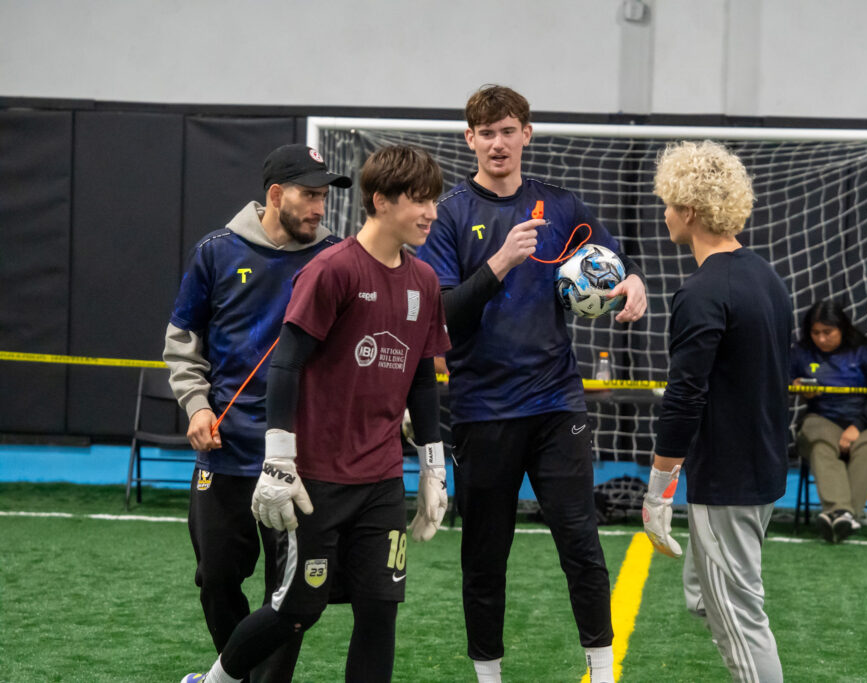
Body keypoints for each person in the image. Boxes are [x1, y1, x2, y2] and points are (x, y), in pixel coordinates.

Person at [181, 144, 451, 683]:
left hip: (379, 477)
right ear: (382, 200)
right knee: (288, 604)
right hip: (304, 472)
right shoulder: (329, 268)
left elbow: (423, 378)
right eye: (420, 201)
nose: (431, 214)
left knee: (380, 609)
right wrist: (277, 457)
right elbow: (284, 363)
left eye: (433, 201)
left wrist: (433, 466)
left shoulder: (423, 280)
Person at [415, 84, 648, 683]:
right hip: (483, 409)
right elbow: (441, 314)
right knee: (484, 558)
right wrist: (500, 262)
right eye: (486, 133)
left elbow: (613, 260)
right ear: (469, 139)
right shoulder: (449, 214)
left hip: (555, 403)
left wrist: (634, 281)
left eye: (507, 131)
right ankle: (489, 678)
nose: (498, 143)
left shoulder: (560, 206)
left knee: (581, 543)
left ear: (527, 134)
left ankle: (602, 671)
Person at [164, 143, 349, 680]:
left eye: (323, 197)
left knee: (288, 595)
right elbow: (183, 343)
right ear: (275, 194)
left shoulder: (335, 258)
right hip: (225, 451)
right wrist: (196, 406)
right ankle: (236, 674)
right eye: (309, 195)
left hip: (301, 457)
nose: (319, 208)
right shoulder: (215, 252)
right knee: (216, 578)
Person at [641, 140, 790, 682]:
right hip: (759, 468)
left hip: (729, 480)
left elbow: (685, 396)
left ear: (689, 210)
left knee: (739, 619)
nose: (664, 213)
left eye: (668, 203)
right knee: (706, 598)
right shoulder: (766, 277)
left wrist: (657, 490)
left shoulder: (702, 291)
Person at [791, 300, 867, 543]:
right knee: (820, 444)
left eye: (828, 332)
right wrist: (795, 385)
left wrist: (857, 427)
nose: (821, 339)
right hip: (823, 418)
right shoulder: (800, 353)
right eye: (815, 333)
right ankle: (842, 514)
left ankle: (841, 515)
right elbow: (779, 381)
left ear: (842, 328)